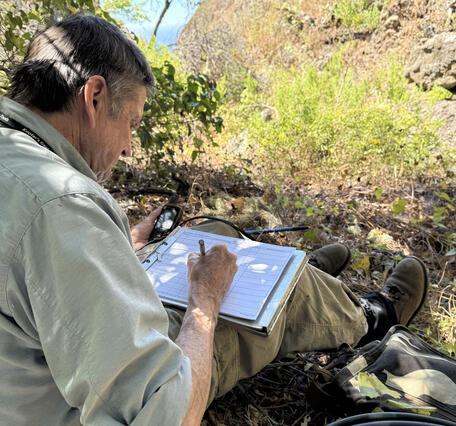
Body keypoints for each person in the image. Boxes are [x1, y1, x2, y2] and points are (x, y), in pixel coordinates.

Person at [0, 13, 428, 426]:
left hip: (41, 373)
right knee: (277, 290)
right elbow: (167, 414)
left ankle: (299, 281)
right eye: (131, 123)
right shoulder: (58, 204)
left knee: (212, 234)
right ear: (94, 98)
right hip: (71, 408)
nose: (129, 147)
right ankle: (371, 316)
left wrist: (120, 249)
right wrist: (204, 305)